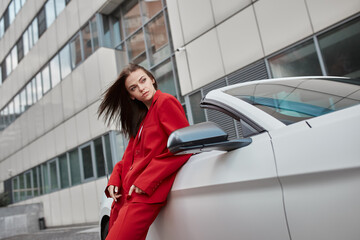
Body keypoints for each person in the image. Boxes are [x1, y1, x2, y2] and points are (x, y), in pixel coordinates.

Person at [98, 63, 192, 240]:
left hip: (145, 195)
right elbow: (128, 158)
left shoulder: (165, 102)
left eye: (143, 81)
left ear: (152, 79)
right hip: (126, 196)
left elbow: (184, 146)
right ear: (131, 96)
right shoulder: (142, 120)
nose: (141, 88)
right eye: (133, 88)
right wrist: (114, 179)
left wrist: (146, 181)